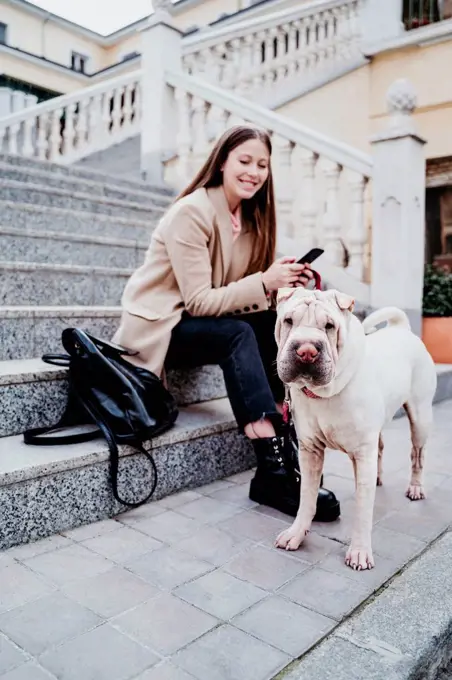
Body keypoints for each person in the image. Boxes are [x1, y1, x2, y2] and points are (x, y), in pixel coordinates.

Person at [113, 125, 340, 521]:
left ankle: (289, 441)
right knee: (239, 335)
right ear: (221, 162)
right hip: (162, 326)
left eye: (262, 165)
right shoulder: (191, 212)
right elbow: (200, 301)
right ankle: (271, 468)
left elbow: (241, 294)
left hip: (206, 321)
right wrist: (263, 282)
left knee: (269, 322)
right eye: (245, 161)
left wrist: (279, 281)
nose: (254, 171)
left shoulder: (252, 219)